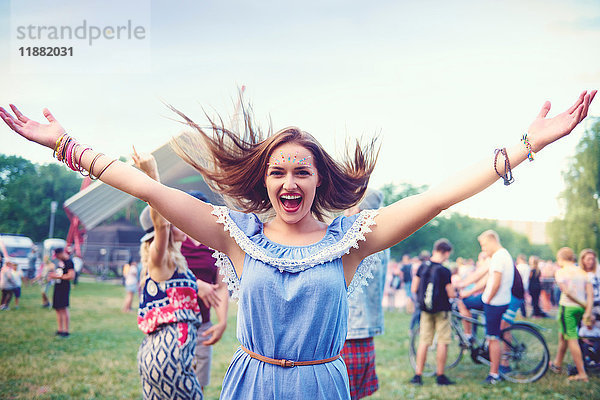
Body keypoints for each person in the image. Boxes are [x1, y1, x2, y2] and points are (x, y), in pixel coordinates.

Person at [0, 89, 595, 399]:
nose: (290, 181)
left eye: (302, 171)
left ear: (319, 180)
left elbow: (437, 196)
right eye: (279, 171)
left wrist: (527, 144)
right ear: (264, 179)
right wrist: (66, 145)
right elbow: (141, 183)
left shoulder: (350, 241)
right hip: (251, 382)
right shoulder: (236, 235)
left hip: (321, 384)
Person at [131, 151, 205, 399]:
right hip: (169, 353)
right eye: (175, 220)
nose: (179, 222)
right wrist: (151, 173)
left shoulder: (175, 266)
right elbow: (160, 223)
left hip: (161, 353)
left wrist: (202, 288)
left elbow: (178, 293)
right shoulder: (158, 259)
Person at [340, 189, 389, 399]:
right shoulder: (384, 239)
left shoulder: (356, 239)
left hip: (349, 329)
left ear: (357, 208)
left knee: (341, 392)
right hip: (365, 327)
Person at [180, 190, 230, 391]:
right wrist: (195, 284)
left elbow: (221, 287)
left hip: (202, 324)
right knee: (174, 385)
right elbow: (162, 276)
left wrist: (222, 321)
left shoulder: (214, 245)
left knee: (197, 387)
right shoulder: (174, 239)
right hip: (175, 323)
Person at [409, 238, 455, 386]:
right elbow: (451, 293)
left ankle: (418, 375)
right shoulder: (444, 270)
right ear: (446, 252)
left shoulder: (422, 267)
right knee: (442, 341)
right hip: (442, 311)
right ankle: (440, 375)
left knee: (424, 341)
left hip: (425, 310)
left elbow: (414, 289)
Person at [549, 247, 593, 382]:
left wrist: (583, 304)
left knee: (571, 339)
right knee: (564, 335)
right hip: (579, 310)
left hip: (567, 308)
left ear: (560, 259)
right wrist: (587, 310)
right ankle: (557, 364)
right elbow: (590, 294)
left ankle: (582, 374)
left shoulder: (561, 272)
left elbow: (566, 292)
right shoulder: (582, 272)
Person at [477, 230, 514, 384]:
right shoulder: (503, 254)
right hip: (502, 300)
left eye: (484, 245)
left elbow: (496, 282)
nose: (483, 249)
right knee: (494, 337)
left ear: (492, 240)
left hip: (494, 302)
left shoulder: (498, 257)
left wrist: (488, 300)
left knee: (493, 339)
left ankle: (494, 375)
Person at [49, 247, 75, 336]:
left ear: (61, 253)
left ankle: (66, 330)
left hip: (64, 287)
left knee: (63, 308)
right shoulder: (60, 262)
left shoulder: (69, 262)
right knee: (57, 308)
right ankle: (60, 329)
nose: (57, 257)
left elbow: (71, 276)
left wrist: (57, 277)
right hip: (57, 286)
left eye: (57, 255)